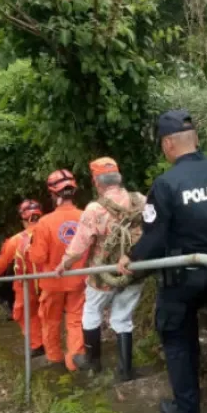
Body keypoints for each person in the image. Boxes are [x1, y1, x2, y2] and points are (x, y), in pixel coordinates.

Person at [116, 110, 207, 413]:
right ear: (195, 140)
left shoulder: (166, 184)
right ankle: (190, 396)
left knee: (175, 334)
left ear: (168, 144)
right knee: (188, 326)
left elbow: (155, 238)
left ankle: (187, 412)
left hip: (181, 277)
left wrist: (130, 258)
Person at [51, 158, 148, 382]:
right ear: (118, 177)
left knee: (91, 311)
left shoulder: (95, 209)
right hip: (134, 271)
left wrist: (63, 265)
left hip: (102, 274)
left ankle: (93, 361)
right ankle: (125, 370)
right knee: (123, 318)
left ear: (96, 182)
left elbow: (79, 246)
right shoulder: (140, 200)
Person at [29, 169, 89, 371]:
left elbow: (37, 257)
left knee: (51, 320)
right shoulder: (85, 217)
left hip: (52, 281)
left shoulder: (44, 223)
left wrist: (30, 246)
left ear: (53, 194)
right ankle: (74, 361)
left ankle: (54, 358)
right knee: (76, 319)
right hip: (78, 279)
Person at [0, 200, 45, 358]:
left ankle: (38, 344)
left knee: (23, 313)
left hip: (26, 284)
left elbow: (3, 261)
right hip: (50, 281)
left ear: (23, 220)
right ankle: (51, 348)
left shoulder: (16, 240)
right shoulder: (50, 232)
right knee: (50, 314)